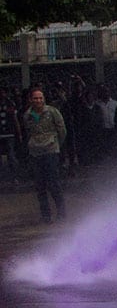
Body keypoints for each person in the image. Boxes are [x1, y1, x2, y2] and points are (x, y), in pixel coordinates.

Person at [23, 87, 67, 223]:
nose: (38, 100)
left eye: (40, 98)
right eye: (35, 98)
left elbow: (62, 131)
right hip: (35, 153)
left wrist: (55, 144)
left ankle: (61, 212)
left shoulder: (53, 112)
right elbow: (28, 133)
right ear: (31, 100)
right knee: (40, 186)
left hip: (50, 151)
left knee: (54, 183)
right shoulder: (27, 115)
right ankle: (46, 215)